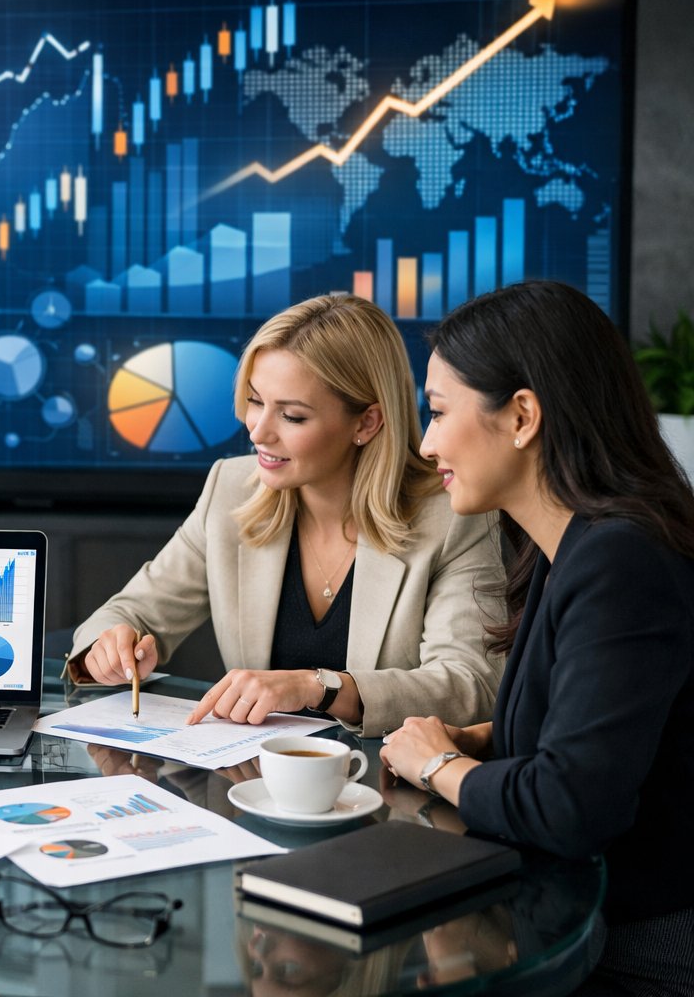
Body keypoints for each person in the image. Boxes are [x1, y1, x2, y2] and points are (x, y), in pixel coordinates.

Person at [382, 281, 694, 993]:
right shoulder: (574, 547)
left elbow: (571, 808)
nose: (427, 445)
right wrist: (484, 741)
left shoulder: (622, 561)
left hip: (639, 947)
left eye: (436, 413)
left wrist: (437, 767)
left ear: (522, 415)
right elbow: (608, 732)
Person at [70, 294, 504, 737]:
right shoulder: (230, 487)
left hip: (383, 787)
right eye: (256, 401)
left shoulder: (452, 515)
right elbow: (128, 612)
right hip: (249, 786)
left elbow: (471, 684)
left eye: (292, 416)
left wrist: (320, 687)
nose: (257, 431)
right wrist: (108, 647)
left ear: (366, 423)